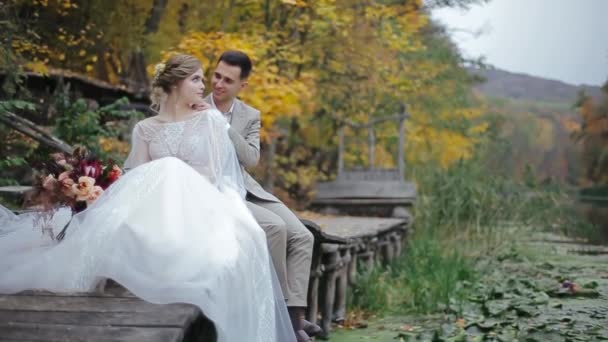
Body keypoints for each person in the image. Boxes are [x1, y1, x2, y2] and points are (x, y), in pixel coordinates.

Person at [0, 54, 295, 342]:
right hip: (154, 206)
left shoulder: (210, 120)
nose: (203, 86)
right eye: (196, 79)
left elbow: (217, 175)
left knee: (171, 170)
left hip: (200, 203)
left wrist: (176, 174)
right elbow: (135, 175)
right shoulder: (145, 129)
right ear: (177, 83)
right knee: (153, 181)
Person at [204, 50, 320, 341]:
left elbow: (251, 159)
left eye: (227, 81)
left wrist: (224, 125)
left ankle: (296, 314)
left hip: (247, 187)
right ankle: (289, 321)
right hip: (217, 189)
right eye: (216, 76)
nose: (218, 84)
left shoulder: (249, 115)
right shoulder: (195, 106)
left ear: (242, 85)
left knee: (304, 236)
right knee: (276, 229)